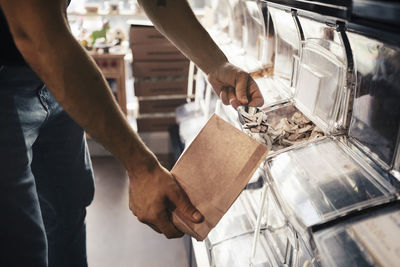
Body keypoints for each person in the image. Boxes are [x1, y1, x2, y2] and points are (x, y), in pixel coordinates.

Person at [0, 0, 263, 266]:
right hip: (26, 64)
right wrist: (141, 167)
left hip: (53, 68)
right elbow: (35, 34)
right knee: (18, 241)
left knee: (66, 210)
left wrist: (215, 64)